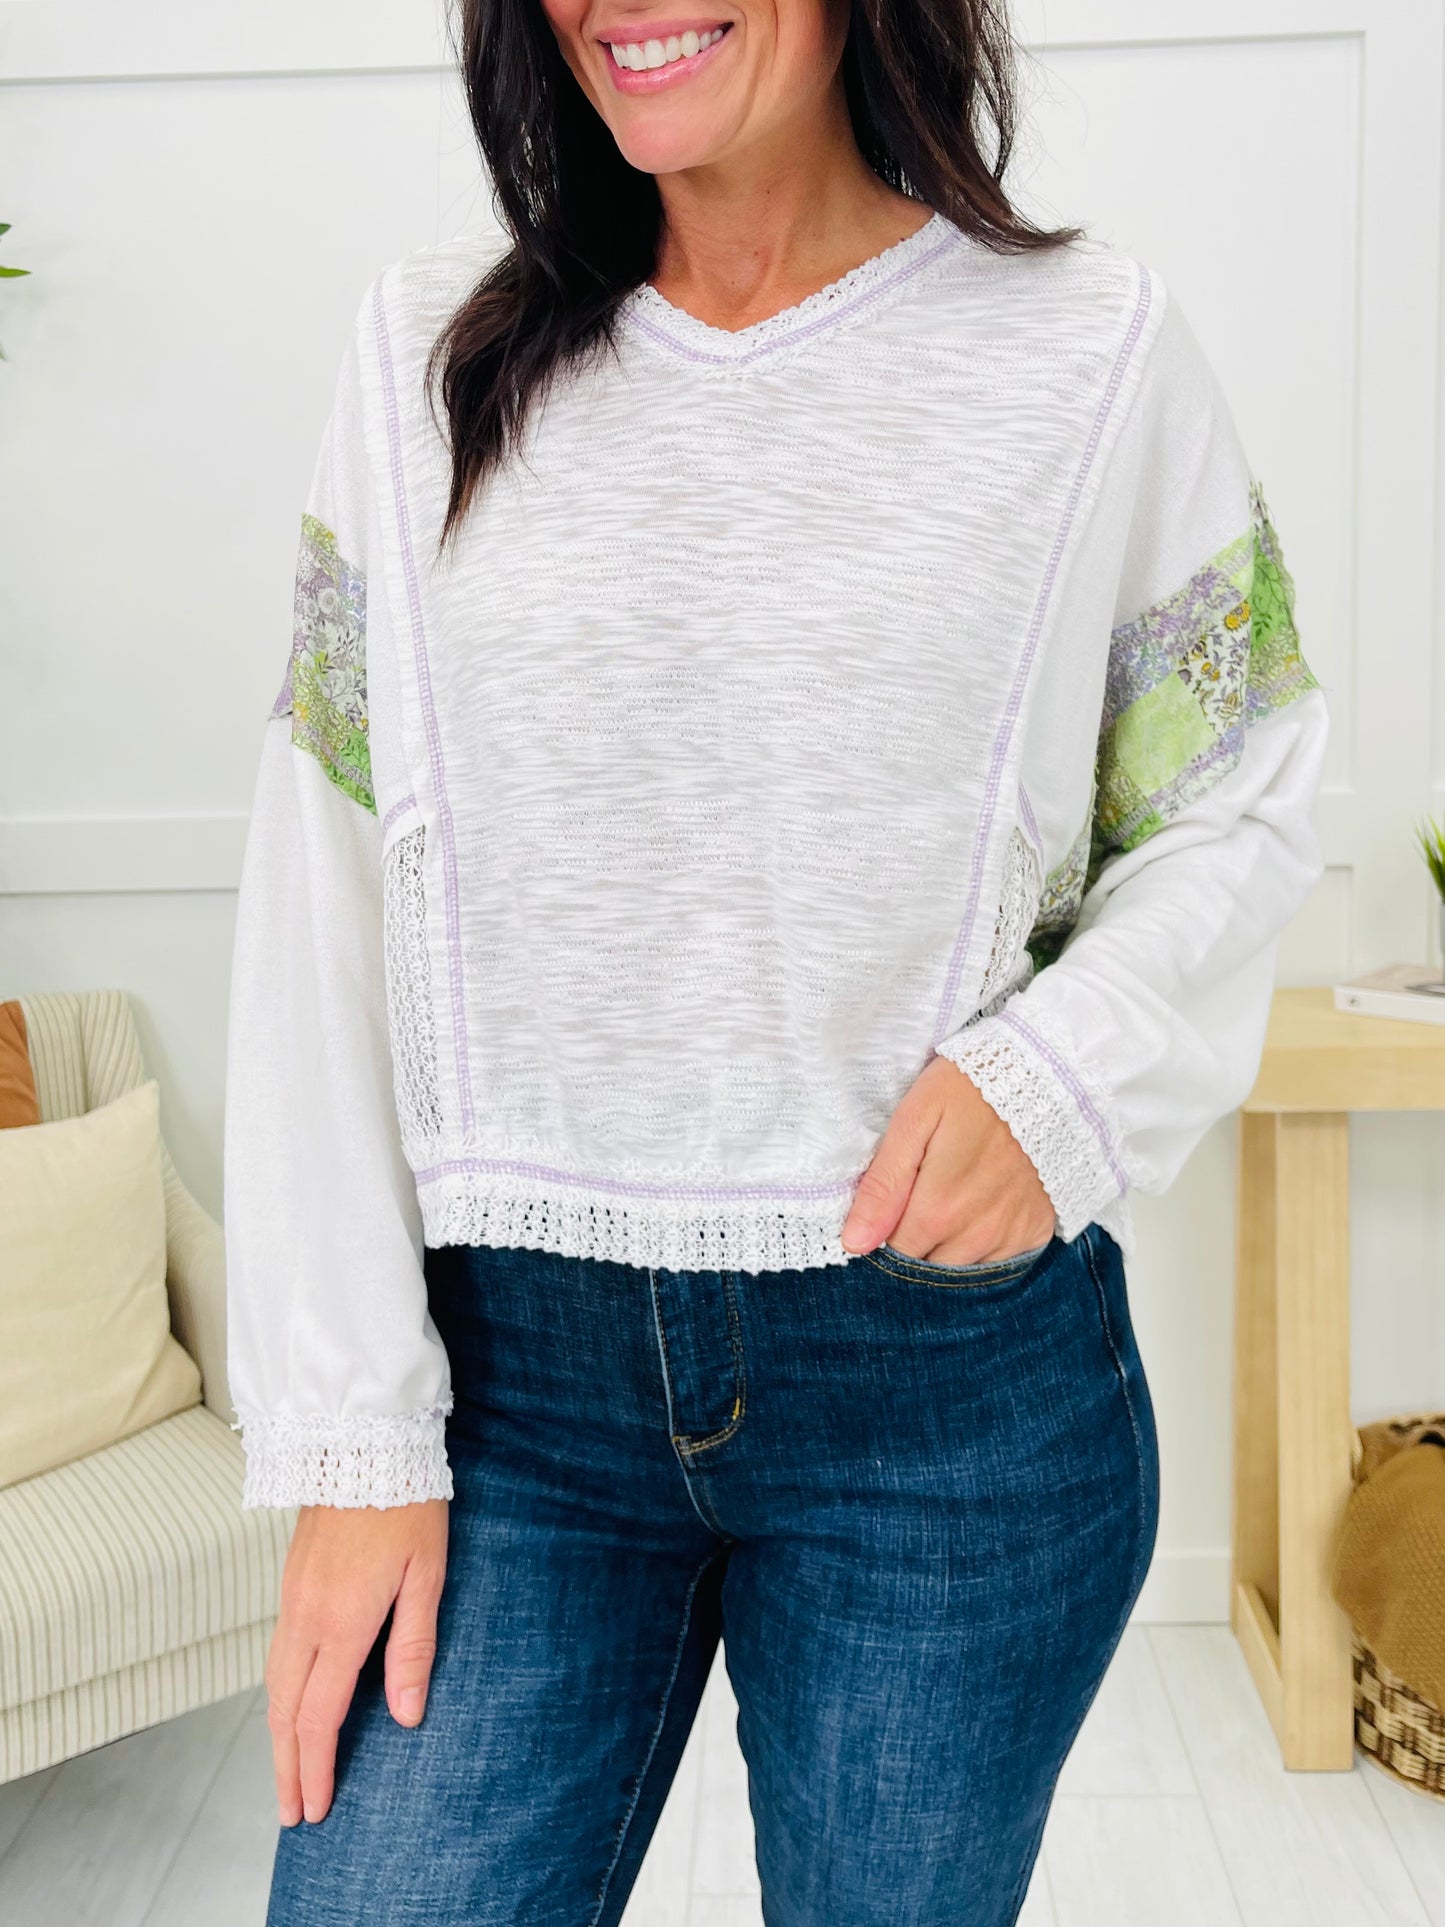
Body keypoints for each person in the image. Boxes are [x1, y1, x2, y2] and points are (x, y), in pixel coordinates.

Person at [221, 0, 1329, 1917]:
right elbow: (321, 886)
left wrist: (1052, 1080)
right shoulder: (423, 361)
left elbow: (1238, 799)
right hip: (512, 1402)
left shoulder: (1088, 353)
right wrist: (353, 1439)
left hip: (939, 1403)